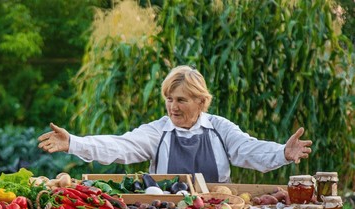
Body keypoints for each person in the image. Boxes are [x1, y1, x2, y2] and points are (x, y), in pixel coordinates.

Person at [37, 65, 312, 183]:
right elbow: (119, 145)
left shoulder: (220, 128)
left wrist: (283, 153)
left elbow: (248, 150)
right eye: (169, 99)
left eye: (181, 100)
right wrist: (73, 142)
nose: (172, 107)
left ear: (201, 102)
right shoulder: (158, 131)